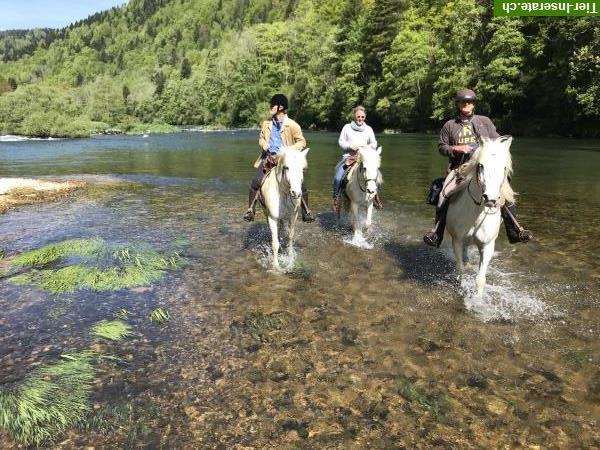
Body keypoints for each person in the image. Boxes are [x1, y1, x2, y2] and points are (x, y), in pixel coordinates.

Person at [423, 88, 532, 247]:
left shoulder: (484, 121)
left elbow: (496, 140)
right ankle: (436, 233)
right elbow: (441, 147)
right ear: (458, 104)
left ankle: (515, 230)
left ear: (474, 104)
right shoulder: (450, 125)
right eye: (463, 102)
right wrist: (455, 149)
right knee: (443, 194)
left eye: (470, 102)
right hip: (459, 168)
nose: (467, 105)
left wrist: (499, 147)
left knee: (506, 193)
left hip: (484, 168)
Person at [243, 94, 315, 222]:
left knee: (302, 185)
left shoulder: (292, 125)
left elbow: (302, 142)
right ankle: (250, 210)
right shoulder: (266, 124)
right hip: (269, 159)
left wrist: (287, 151)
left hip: (286, 160)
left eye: (273, 105)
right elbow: (261, 138)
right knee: (255, 182)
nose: (270, 107)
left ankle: (306, 212)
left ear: (280, 107)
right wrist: (264, 144)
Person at [332, 106, 382, 212]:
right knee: (337, 178)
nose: (360, 118)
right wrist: (350, 146)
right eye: (358, 116)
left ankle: (376, 198)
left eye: (362, 117)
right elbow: (341, 142)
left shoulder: (368, 129)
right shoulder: (346, 127)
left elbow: (374, 143)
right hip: (349, 157)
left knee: (378, 177)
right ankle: (336, 199)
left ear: (365, 117)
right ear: (354, 116)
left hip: (364, 159)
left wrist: (368, 147)